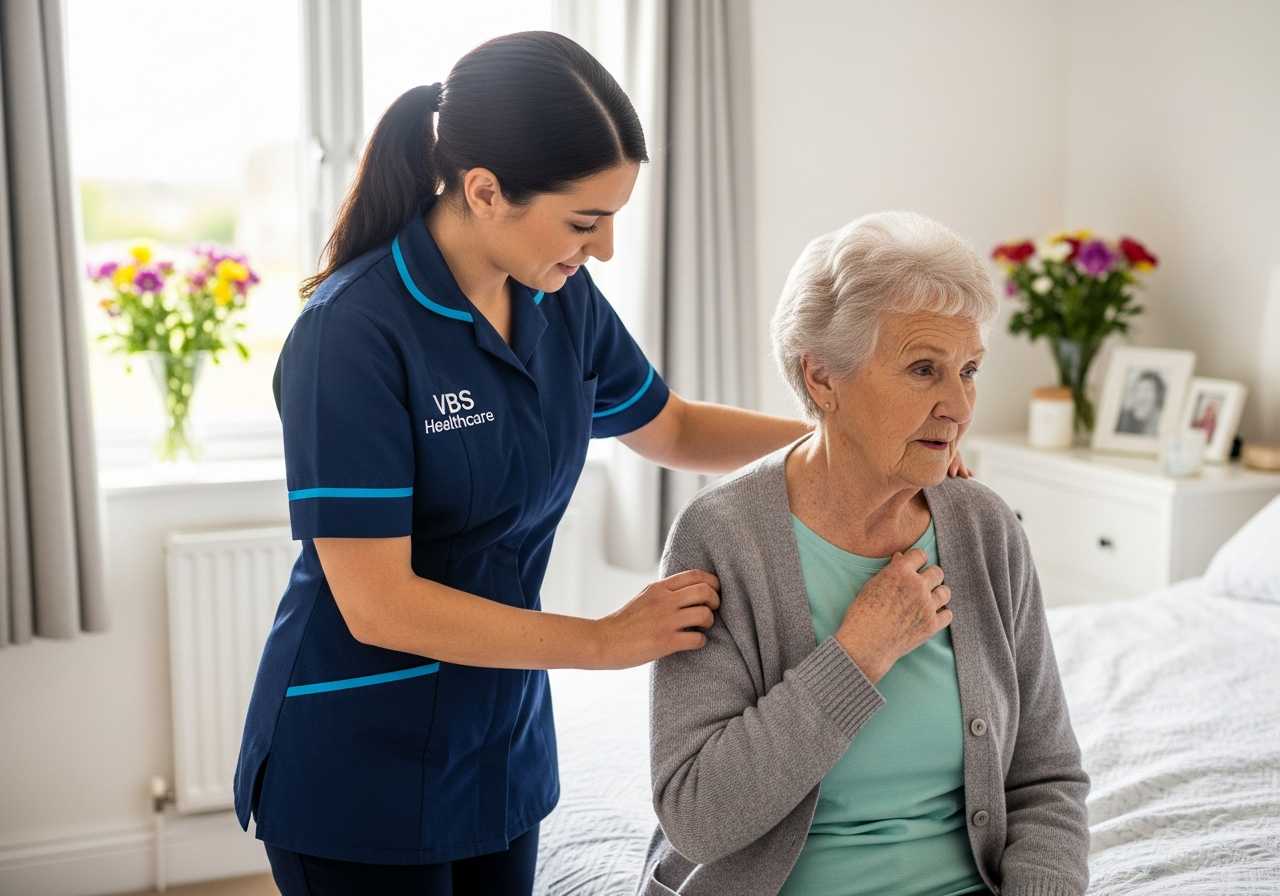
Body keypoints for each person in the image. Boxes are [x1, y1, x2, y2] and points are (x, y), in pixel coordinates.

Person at [232, 32, 823, 896]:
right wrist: (603, 641)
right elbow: (376, 602)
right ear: (485, 191)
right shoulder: (352, 332)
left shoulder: (559, 297)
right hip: (360, 763)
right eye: (586, 221)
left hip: (500, 748)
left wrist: (838, 443)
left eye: (615, 218)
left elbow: (672, 428)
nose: (607, 249)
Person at [642, 212, 1090, 896]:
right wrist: (858, 656)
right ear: (823, 379)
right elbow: (697, 817)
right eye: (923, 369)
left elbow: (1046, 775)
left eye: (968, 370)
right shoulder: (722, 537)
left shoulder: (984, 528)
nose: (958, 405)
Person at [1115, 369, 1165, 435]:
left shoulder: (1161, 423)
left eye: (1147, 390)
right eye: (1138, 390)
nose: (1141, 396)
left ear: (1158, 395)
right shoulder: (1124, 420)